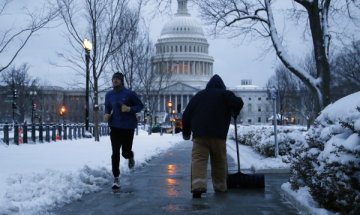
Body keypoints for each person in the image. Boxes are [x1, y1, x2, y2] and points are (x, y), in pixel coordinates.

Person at [182, 74, 244, 198]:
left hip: (200, 136)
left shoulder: (199, 96)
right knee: (219, 162)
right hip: (218, 136)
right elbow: (239, 103)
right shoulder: (225, 94)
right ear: (222, 86)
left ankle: (198, 187)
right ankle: (220, 187)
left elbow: (186, 114)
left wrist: (186, 132)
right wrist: (234, 111)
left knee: (199, 160)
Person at [104, 72, 144, 190]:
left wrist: (129, 108)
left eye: (117, 79)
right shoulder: (109, 95)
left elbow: (140, 106)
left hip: (127, 127)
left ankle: (130, 156)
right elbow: (107, 106)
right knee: (115, 153)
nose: (115, 81)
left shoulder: (130, 94)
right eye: (113, 79)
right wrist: (106, 113)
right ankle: (116, 178)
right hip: (114, 127)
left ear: (121, 81)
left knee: (125, 152)